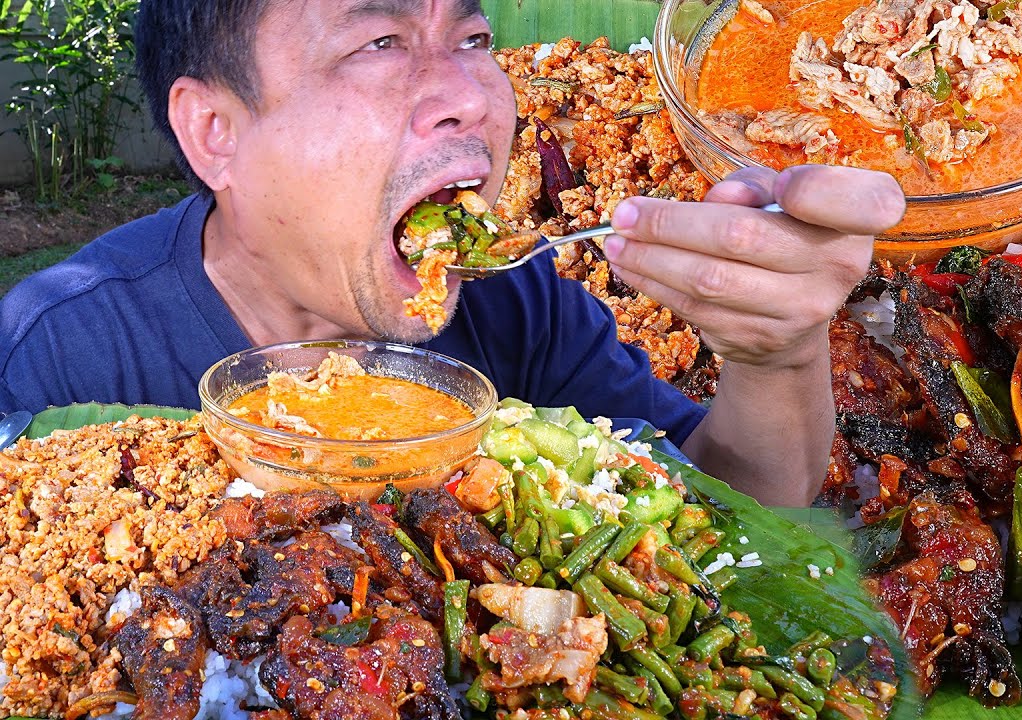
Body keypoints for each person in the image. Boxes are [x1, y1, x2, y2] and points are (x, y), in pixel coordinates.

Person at [0, 0, 904, 506]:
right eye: (379, 43)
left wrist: (778, 355)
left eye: (473, 40)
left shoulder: (519, 305)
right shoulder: (61, 355)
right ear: (214, 133)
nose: (470, 96)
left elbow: (742, 514)